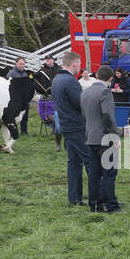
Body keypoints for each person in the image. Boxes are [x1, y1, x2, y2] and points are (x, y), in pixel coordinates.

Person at [52, 52, 92, 205]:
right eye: (80, 65)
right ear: (74, 64)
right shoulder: (70, 81)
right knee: (90, 161)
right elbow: (80, 103)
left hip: (65, 125)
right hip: (77, 126)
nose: (80, 68)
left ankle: (74, 198)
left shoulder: (57, 79)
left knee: (74, 163)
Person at [81, 65, 121, 213]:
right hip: (105, 138)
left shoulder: (86, 92)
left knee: (94, 174)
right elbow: (107, 116)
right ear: (111, 79)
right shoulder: (105, 92)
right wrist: (114, 135)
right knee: (109, 173)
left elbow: (84, 115)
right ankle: (111, 205)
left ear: (97, 76)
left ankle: (94, 204)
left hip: (90, 136)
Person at [6, 57, 32, 135]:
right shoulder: (11, 73)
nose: (22, 65)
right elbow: (7, 86)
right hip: (15, 100)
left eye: (23, 64)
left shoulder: (25, 73)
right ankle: (14, 131)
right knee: (14, 116)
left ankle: (24, 132)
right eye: (20, 64)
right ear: (16, 63)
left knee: (25, 116)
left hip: (24, 99)